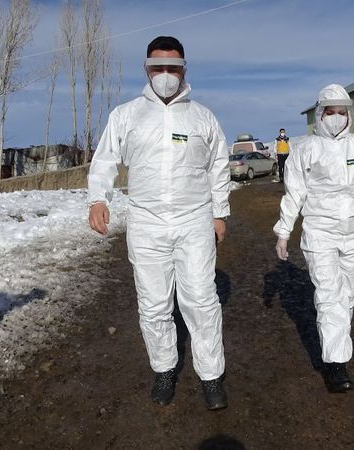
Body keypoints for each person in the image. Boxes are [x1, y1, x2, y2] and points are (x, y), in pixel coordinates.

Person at [87, 36, 231, 410]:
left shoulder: (202, 117)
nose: (165, 74)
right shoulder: (126, 115)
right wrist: (98, 198)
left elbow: (218, 167)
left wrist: (219, 214)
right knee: (153, 304)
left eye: (173, 68)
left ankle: (211, 375)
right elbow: (105, 160)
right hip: (146, 222)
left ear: (184, 70)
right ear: (146, 69)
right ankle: (164, 369)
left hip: (193, 220)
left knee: (201, 300)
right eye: (158, 67)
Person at [273, 84, 354, 393]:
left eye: (341, 112)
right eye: (329, 112)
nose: (335, 118)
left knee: (347, 297)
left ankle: (336, 345)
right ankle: (336, 364)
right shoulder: (305, 149)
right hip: (320, 234)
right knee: (330, 296)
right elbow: (294, 194)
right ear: (320, 114)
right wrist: (283, 231)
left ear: (349, 114)